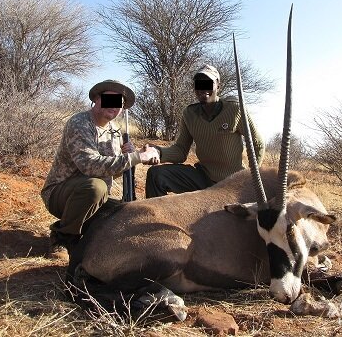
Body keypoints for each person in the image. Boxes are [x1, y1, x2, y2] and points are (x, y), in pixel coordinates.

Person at [41, 79, 159, 258]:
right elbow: (90, 166)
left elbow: (115, 171)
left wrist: (130, 157)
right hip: (61, 194)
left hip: (96, 197)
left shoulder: (115, 131)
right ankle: (62, 237)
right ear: (96, 99)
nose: (115, 106)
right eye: (109, 100)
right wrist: (136, 158)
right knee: (96, 187)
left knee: (126, 213)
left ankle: (85, 232)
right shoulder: (79, 122)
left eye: (119, 103)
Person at [145, 64, 265, 198]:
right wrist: (158, 152)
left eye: (208, 83)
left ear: (218, 86)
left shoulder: (235, 109)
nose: (203, 88)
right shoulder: (189, 113)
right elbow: (180, 151)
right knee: (156, 175)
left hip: (232, 182)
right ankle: (152, 217)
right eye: (198, 84)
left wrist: (249, 177)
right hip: (203, 176)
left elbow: (257, 143)